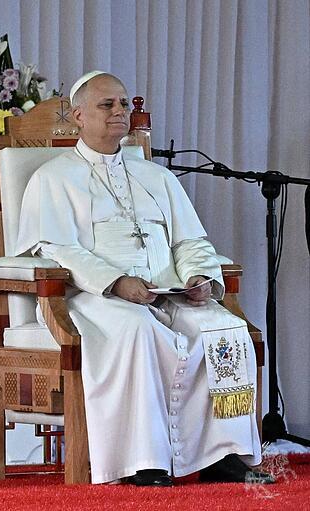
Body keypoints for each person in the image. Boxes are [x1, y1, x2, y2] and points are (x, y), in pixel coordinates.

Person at [14, 71, 274, 486]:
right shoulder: (53, 178)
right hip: (92, 297)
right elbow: (58, 249)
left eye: (123, 104)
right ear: (78, 115)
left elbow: (190, 240)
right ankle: (142, 460)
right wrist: (116, 282)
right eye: (107, 105)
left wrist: (198, 277)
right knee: (138, 331)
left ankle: (220, 454)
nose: (119, 112)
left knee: (222, 326)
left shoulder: (157, 177)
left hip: (168, 293)